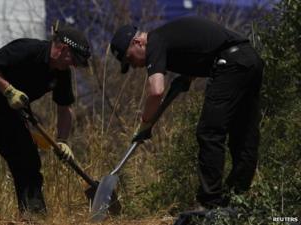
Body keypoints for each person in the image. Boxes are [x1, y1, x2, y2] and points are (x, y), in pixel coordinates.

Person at [110, 16, 264, 209]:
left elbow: (156, 91)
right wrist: (185, 78)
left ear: (138, 42)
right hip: (249, 59)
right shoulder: (167, 38)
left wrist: (145, 122)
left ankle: (210, 204)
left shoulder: (155, 41)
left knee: (209, 133)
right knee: (243, 135)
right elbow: (199, 49)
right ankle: (236, 201)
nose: (134, 65)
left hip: (231, 63)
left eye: (130, 58)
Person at [0, 24, 91, 215]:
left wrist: (63, 141)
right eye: (73, 59)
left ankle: (34, 215)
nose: (73, 65)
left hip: (5, 111)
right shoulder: (27, 49)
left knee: (27, 159)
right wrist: (8, 90)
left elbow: (64, 109)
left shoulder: (61, 73)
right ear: (63, 49)